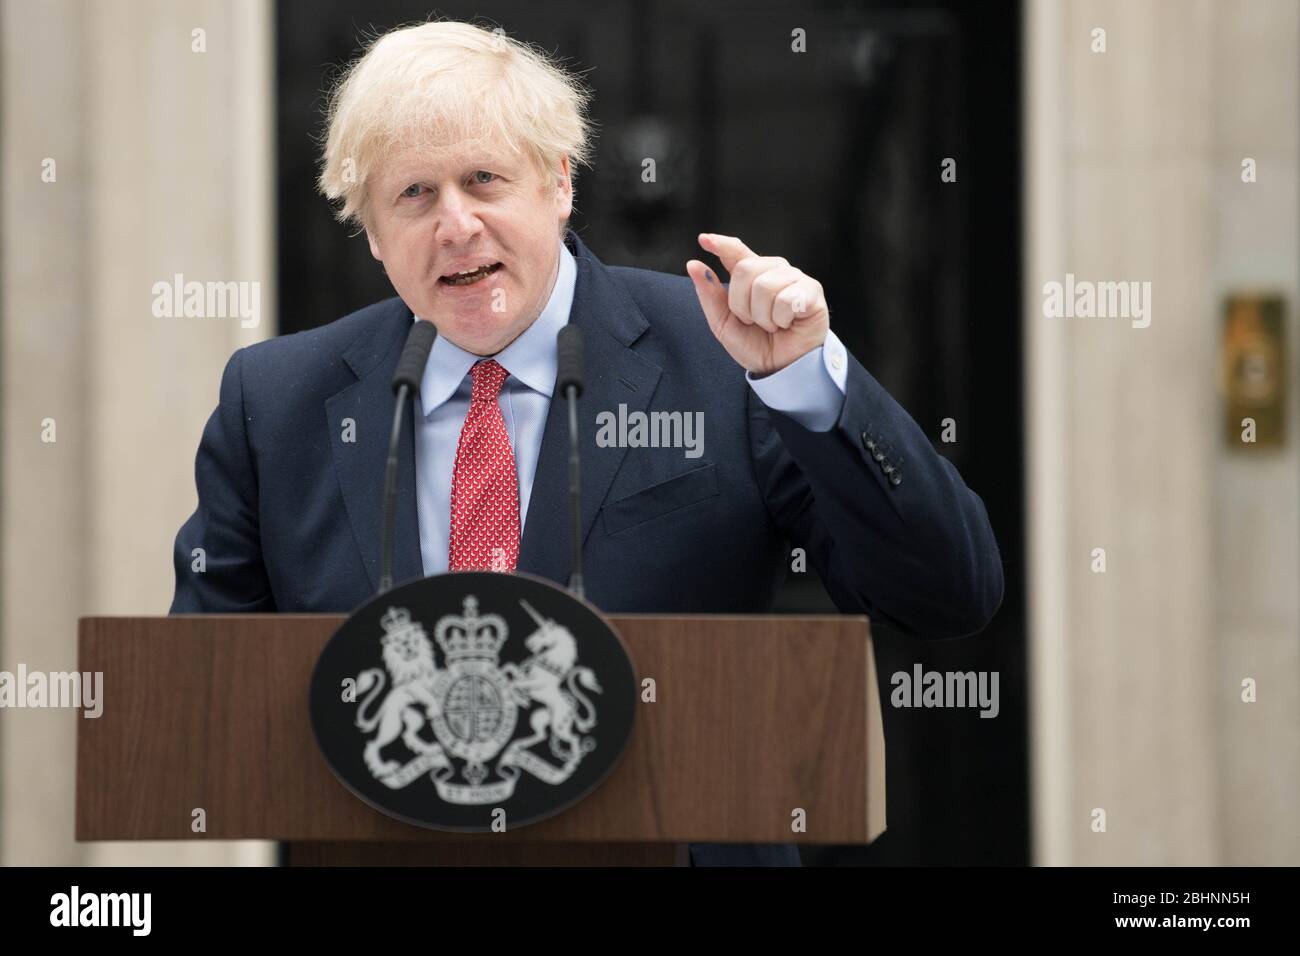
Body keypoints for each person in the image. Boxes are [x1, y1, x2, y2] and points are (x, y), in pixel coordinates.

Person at [170, 20, 1004, 868]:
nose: (455, 224)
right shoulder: (275, 403)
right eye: (414, 194)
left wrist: (806, 387)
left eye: (483, 179)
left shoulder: (721, 361)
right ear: (374, 234)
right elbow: (199, 715)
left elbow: (948, 594)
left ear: (559, 182)